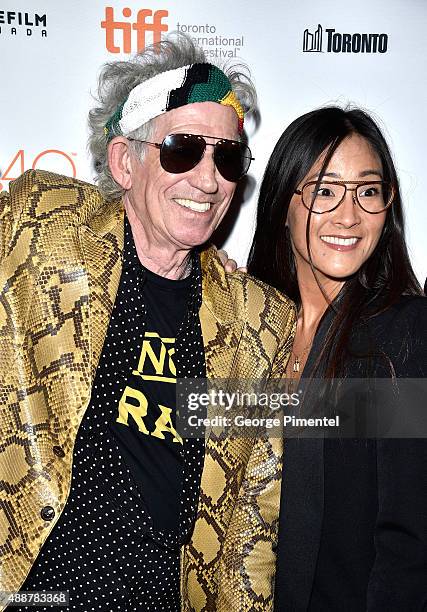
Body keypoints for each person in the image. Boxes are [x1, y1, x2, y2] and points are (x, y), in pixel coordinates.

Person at [0, 35, 295, 611]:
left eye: (228, 158)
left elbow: (249, 531)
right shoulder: (39, 234)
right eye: (183, 150)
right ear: (123, 161)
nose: (209, 180)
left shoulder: (257, 324)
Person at [247, 107, 427, 611]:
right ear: (284, 204)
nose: (348, 216)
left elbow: (409, 541)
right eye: (324, 191)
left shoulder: (405, 333)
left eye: (368, 192)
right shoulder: (251, 329)